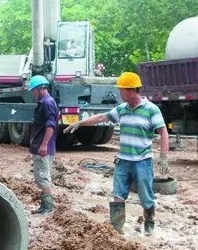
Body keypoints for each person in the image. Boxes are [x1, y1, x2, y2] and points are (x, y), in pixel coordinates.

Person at [64, 72, 169, 236]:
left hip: (142, 161)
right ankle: (116, 230)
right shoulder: (122, 109)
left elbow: (163, 132)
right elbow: (101, 117)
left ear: (133, 90)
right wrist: (80, 122)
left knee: (146, 196)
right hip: (123, 161)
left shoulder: (151, 110)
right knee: (118, 195)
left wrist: (163, 157)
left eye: (123, 90)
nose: (120, 93)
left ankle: (149, 222)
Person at [27, 75, 59, 214]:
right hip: (39, 146)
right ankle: (44, 206)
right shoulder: (44, 102)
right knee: (40, 177)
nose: (33, 94)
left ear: (40, 88)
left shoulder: (48, 103)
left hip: (43, 147)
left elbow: (50, 125)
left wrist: (44, 144)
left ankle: (48, 207)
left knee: (43, 177)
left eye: (33, 90)